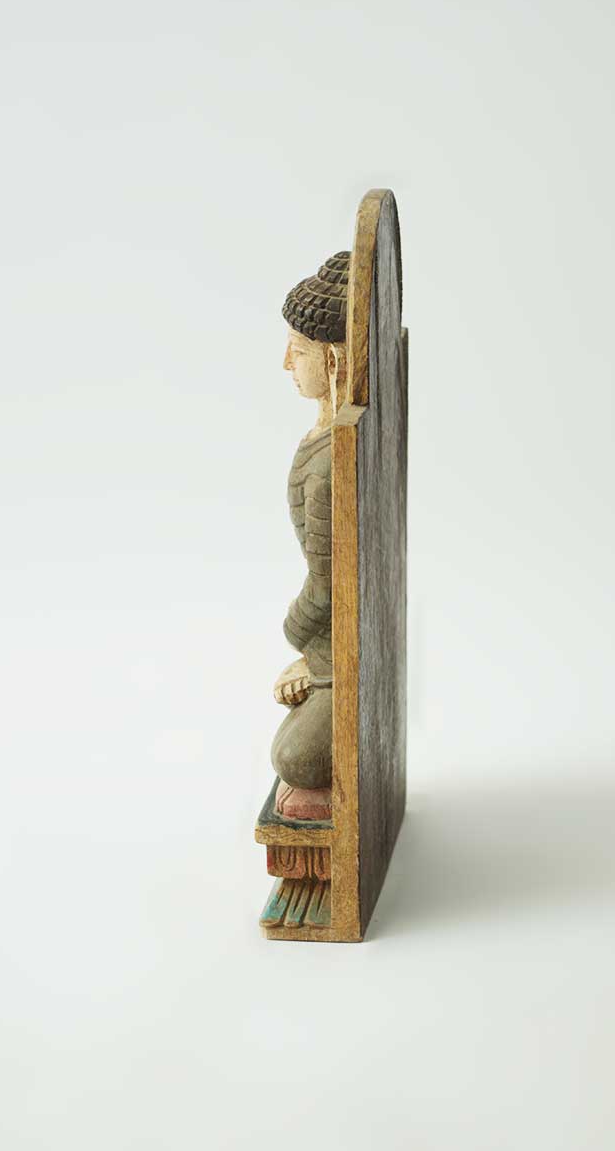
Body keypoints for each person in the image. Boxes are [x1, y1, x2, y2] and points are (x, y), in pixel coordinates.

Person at [270, 252, 349, 819]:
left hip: (340, 643)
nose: (286, 364)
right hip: (333, 639)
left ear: (333, 358)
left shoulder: (328, 467)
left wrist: (302, 645)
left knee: (294, 761)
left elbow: (327, 584)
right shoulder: (324, 442)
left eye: (298, 352)